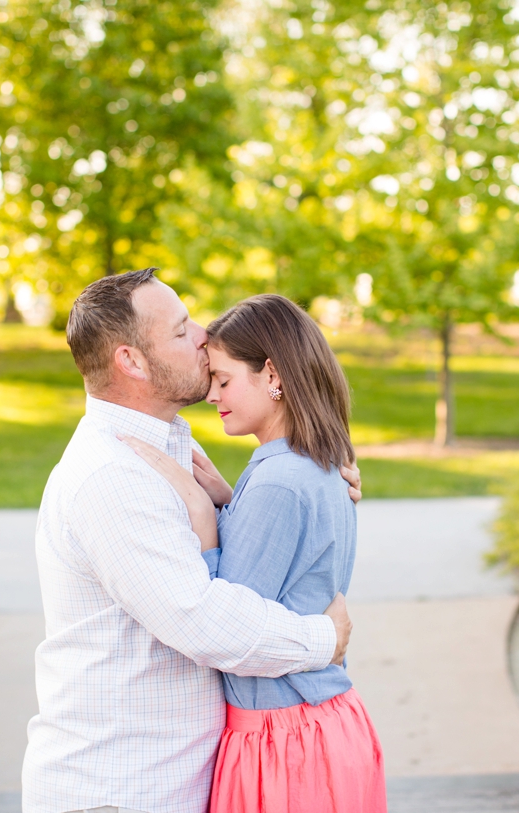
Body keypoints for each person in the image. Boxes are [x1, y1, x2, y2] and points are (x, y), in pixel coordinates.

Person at [22, 268, 362, 813]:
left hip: (167, 782)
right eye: (181, 330)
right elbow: (201, 619)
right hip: (121, 790)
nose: (203, 334)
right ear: (131, 361)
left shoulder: (162, 444)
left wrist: (313, 484)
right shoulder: (113, 475)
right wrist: (323, 639)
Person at [123, 294, 387, 813]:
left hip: (283, 740)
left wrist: (204, 522)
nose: (211, 394)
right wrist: (229, 502)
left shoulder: (279, 480)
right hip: (312, 726)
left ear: (273, 374)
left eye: (222, 379)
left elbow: (232, 617)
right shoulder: (313, 463)